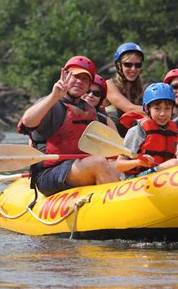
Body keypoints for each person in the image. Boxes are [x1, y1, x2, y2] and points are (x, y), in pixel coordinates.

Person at [19, 56, 119, 196]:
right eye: (76, 76)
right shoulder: (51, 103)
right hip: (49, 174)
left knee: (112, 166)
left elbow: (111, 150)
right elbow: (27, 122)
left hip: (78, 169)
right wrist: (54, 97)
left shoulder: (90, 111)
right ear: (65, 75)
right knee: (99, 162)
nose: (80, 82)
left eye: (85, 79)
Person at [116, 83, 178, 179]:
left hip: (160, 174)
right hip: (135, 179)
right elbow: (119, 165)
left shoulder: (172, 129)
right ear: (147, 109)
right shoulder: (138, 131)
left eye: (167, 109)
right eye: (157, 109)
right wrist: (138, 161)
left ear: (172, 110)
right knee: (175, 163)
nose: (163, 113)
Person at [105, 42, 146, 136]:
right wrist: (157, 110)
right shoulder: (109, 84)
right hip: (111, 141)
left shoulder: (141, 91)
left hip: (133, 144)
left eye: (138, 65)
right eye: (128, 64)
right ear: (119, 65)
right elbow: (129, 108)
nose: (133, 69)